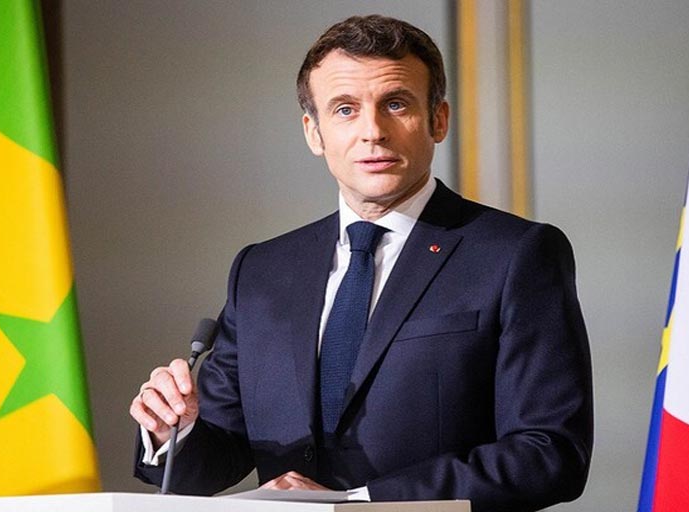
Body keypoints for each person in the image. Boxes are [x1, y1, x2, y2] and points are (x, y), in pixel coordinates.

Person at [130, 14, 593, 512]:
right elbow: (211, 462)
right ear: (314, 132)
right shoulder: (261, 271)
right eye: (345, 109)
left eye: (396, 104)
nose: (373, 131)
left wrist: (358, 503)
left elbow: (550, 452)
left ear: (438, 120)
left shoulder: (516, 254)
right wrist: (173, 430)